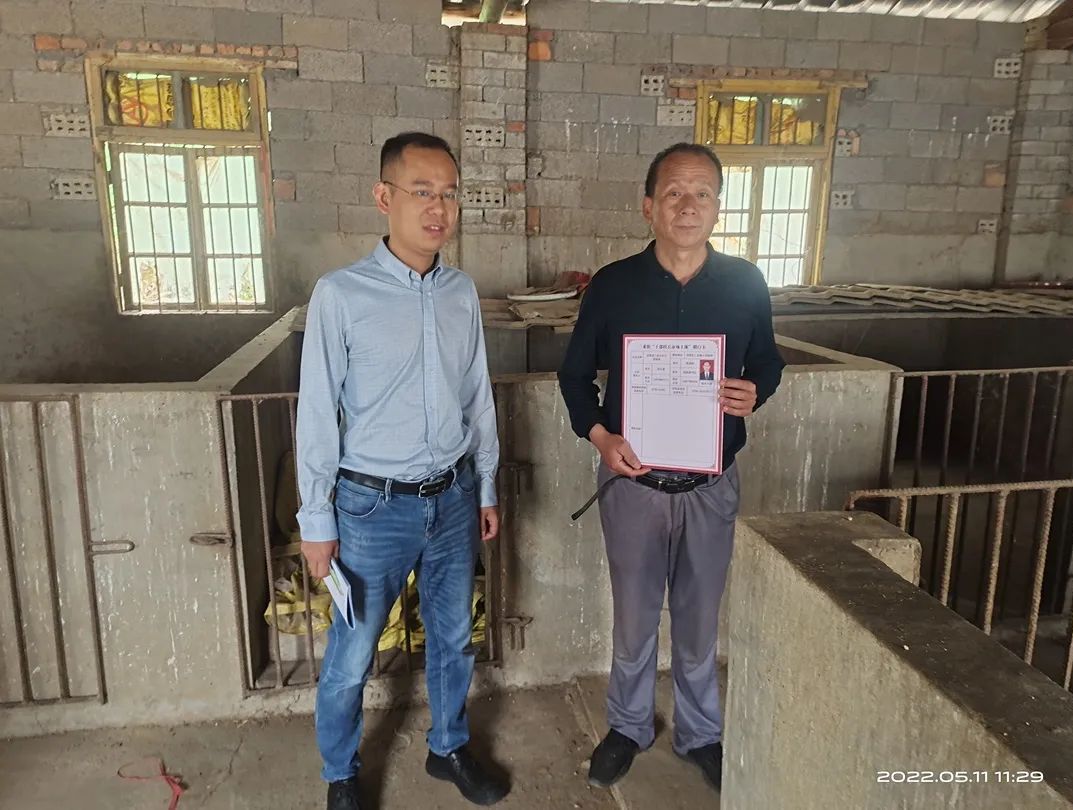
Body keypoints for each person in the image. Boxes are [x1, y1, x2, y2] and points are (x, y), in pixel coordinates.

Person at [557, 143, 785, 793]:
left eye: (702, 193)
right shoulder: (613, 286)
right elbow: (574, 376)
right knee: (634, 617)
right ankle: (627, 727)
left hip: (711, 485)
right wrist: (601, 436)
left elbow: (768, 361)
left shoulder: (745, 283)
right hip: (633, 484)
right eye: (675, 193)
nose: (689, 206)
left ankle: (700, 733)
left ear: (717, 207)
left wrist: (755, 390)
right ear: (649, 206)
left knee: (698, 616)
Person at [296, 132, 508, 810]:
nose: (438, 208)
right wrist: (316, 519)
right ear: (383, 197)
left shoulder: (461, 293)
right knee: (351, 655)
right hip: (370, 508)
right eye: (422, 191)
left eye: (449, 194)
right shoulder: (340, 294)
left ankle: (447, 748)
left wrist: (486, 483)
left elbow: (477, 395)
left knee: (454, 638)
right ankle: (340, 773)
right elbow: (317, 412)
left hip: (453, 498)